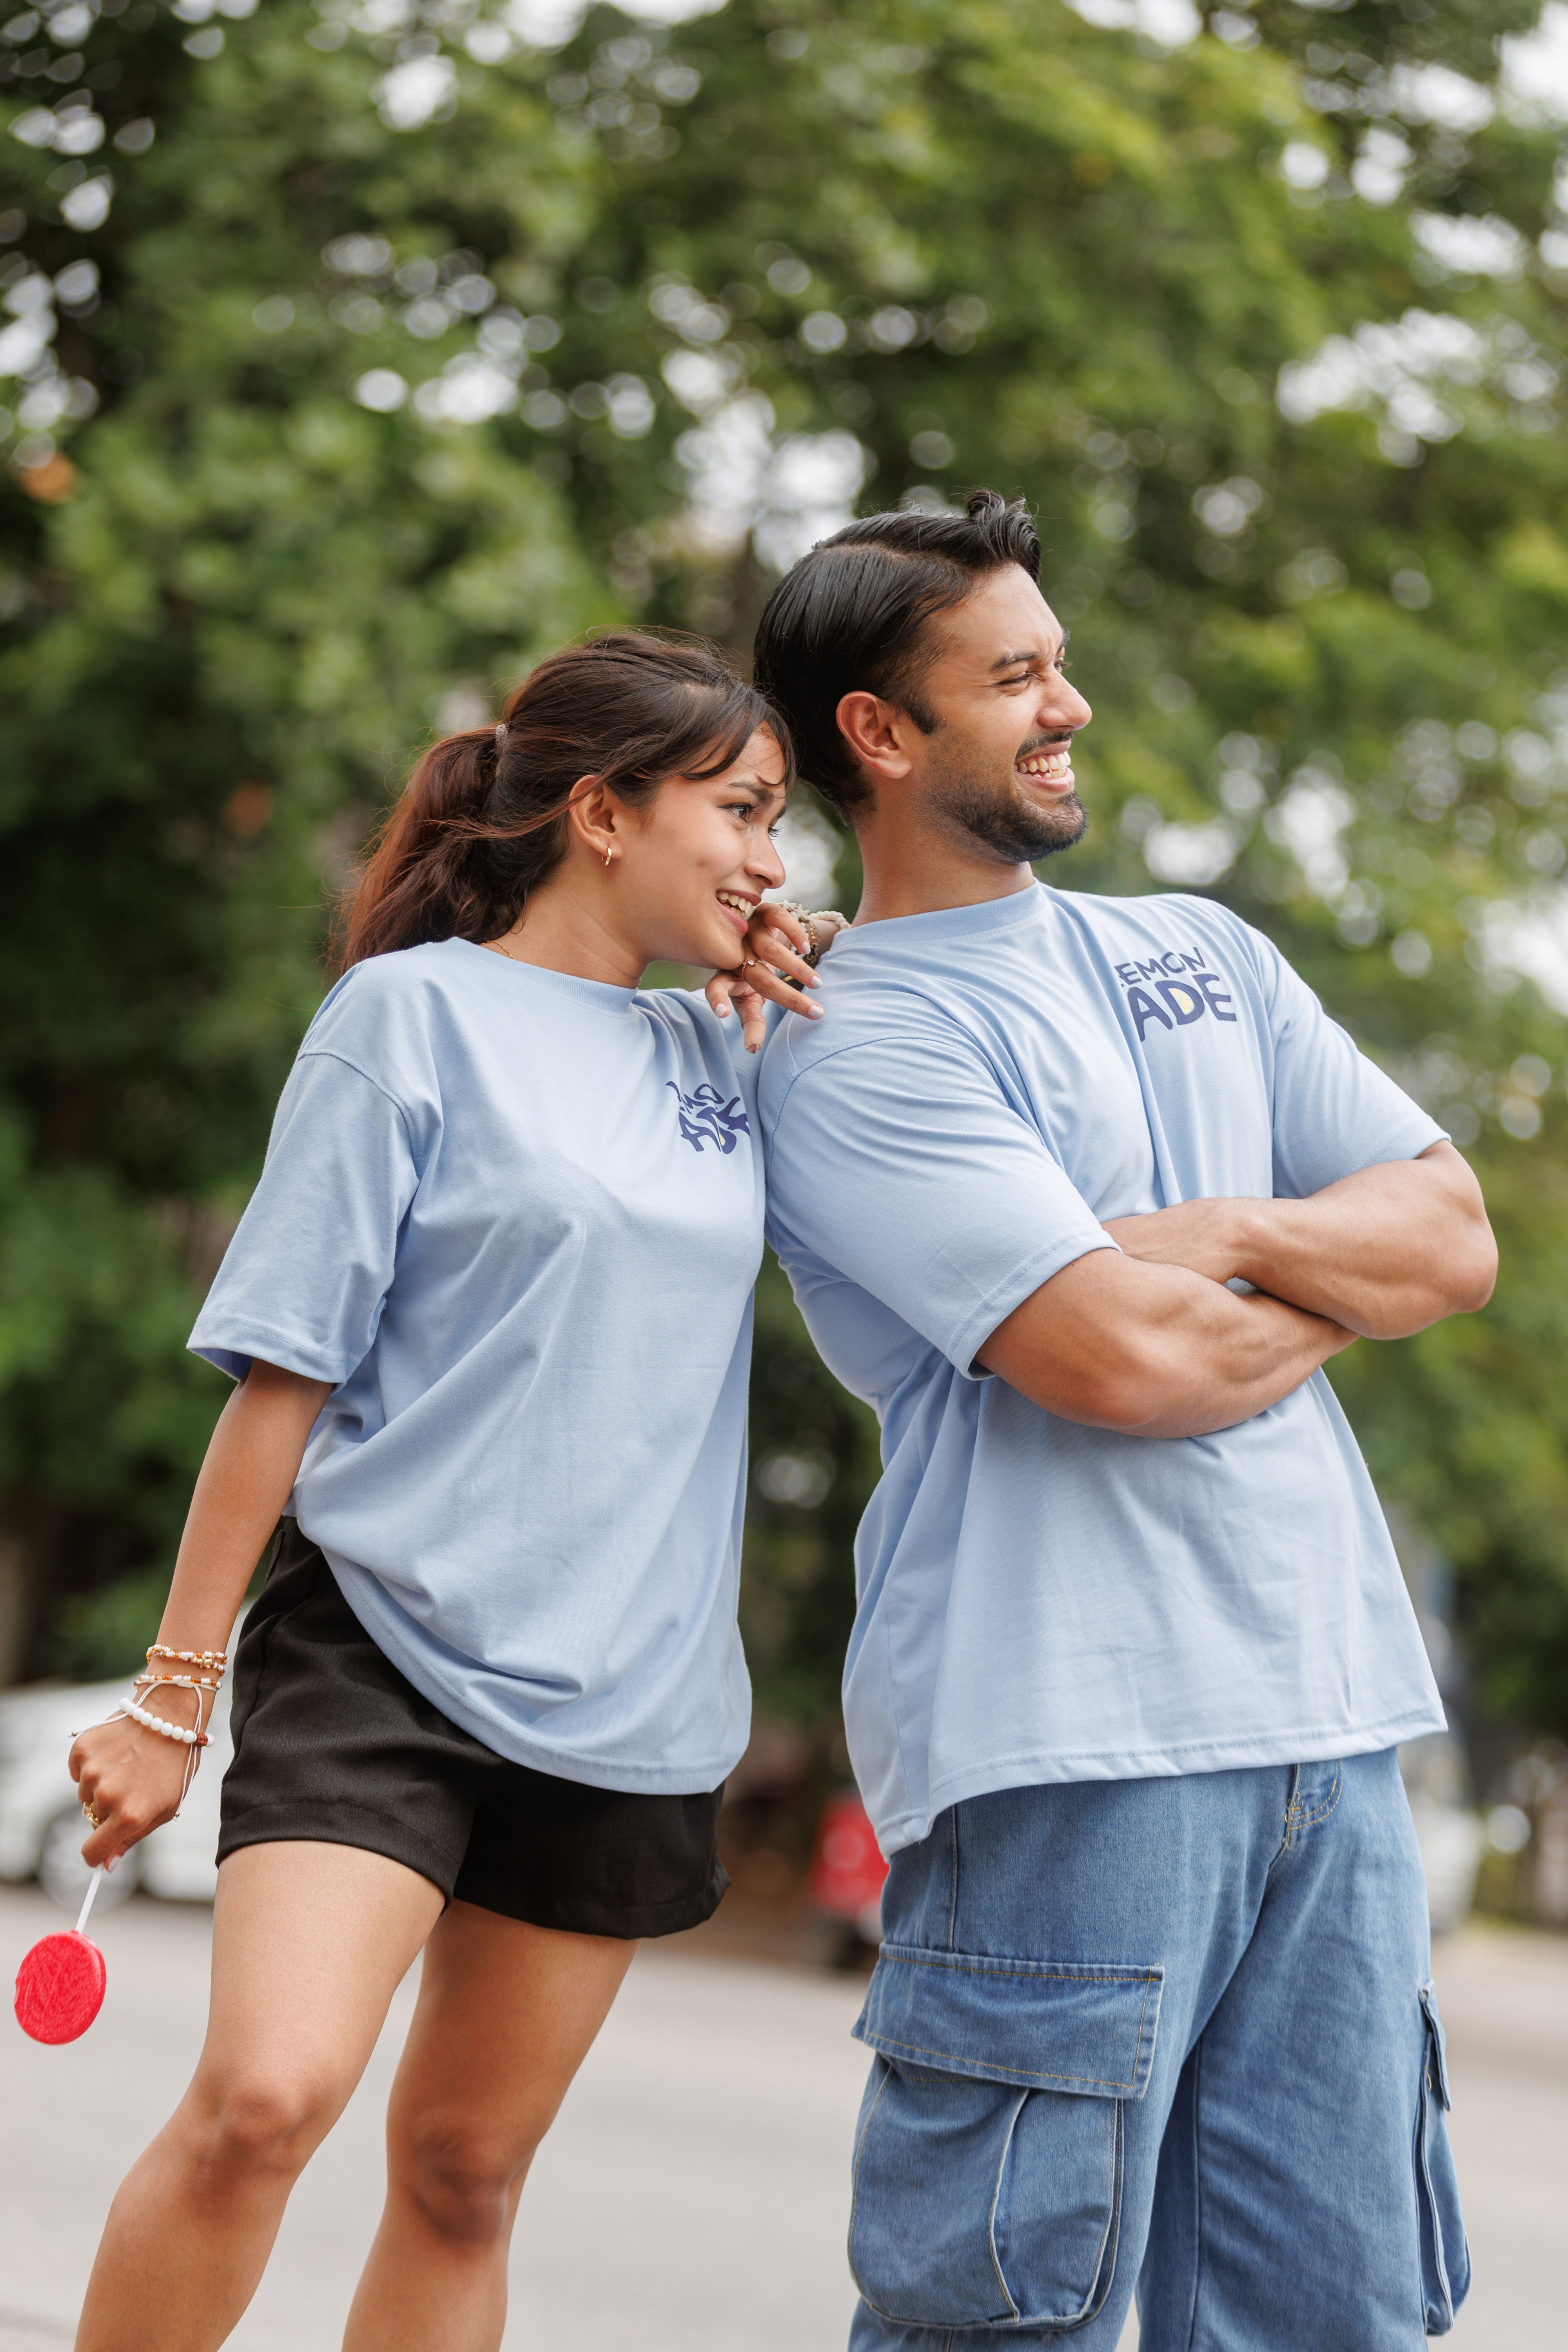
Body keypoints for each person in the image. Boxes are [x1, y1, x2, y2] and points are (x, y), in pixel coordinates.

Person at [750, 493, 1494, 2350]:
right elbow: (1126, 1367)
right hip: (1068, 1751)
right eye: (1016, 676)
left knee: (1338, 2322)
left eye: (1060, 662)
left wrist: (1233, 1233)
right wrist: (1335, 1281)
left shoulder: (1202, 951)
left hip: (1333, 1734)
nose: (1068, 704)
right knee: (1007, 2325)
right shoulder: (851, 1038)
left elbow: (1453, 1237)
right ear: (881, 732)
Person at [66, 631, 835, 2352]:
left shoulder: (731, 1049)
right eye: (739, 810)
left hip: (632, 1705)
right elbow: (283, 1374)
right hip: (384, 1657)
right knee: (264, 2101)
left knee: (466, 2175)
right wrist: (174, 1697)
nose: (771, 859)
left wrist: (834, 965)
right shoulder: (408, 1017)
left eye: (779, 821)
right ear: (602, 813)